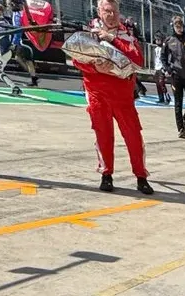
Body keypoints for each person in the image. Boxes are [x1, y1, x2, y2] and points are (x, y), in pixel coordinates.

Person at [74, 0, 153, 194]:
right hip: (97, 94)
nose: (111, 15)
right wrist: (95, 67)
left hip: (122, 95)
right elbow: (76, 59)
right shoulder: (89, 32)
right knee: (103, 135)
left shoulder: (127, 34)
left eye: (115, 11)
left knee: (133, 136)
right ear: (99, 11)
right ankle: (106, 174)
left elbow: (138, 60)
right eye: (107, 11)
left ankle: (141, 176)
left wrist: (112, 39)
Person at [161, 15, 185, 138]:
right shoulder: (168, 41)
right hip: (176, 75)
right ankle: (181, 129)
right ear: (173, 27)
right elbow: (163, 57)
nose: (179, 28)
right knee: (178, 103)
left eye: (181, 26)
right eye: (177, 26)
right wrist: (168, 69)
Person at [7, 0, 38, 87]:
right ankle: (33, 77)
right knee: (21, 59)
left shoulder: (16, 14)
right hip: (27, 38)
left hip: (22, 40)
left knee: (25, 60)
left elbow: (18, 30)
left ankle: (33, 77)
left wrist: (14, 43)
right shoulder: (23, 13)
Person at [152, 34, 171, 104]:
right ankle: (161, 98)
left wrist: (165, 68)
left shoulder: (164, 48)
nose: (157, 41)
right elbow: (155, 59)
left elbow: (166, 59)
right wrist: (154, 68)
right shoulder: (155, 49)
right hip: (157, 67)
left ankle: (167, 97)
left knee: (161, 82)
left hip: (162, 67)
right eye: (156, 40)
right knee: (157, 84)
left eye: (158, 39)